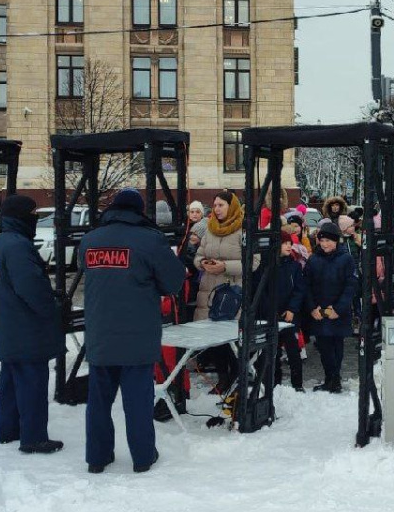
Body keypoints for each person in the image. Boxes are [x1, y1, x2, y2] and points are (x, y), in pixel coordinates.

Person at [78, 189, 185, 474]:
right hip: (138, 336)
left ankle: (97, 458)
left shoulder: (90, 240)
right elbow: (174, 281)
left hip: (100, 334)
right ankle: (142, 457)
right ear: (139, 211)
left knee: (98, 402)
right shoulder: (149, 240)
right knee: (137, 402)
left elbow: (83, 269)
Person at [0, 194, 66, 453]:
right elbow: (31, 288)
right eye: (33, 216)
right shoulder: (19, 246)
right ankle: (33, 437)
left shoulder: (3, 242)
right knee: (32, 382)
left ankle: (8, 430)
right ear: (22, 218)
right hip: (27, 328)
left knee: (11, 380)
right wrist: (53, 308)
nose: (35, 221)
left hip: (11, 324)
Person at [193, 191, 246, 395]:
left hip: (232, 292)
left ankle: (237, 378)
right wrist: (203, 263)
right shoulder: (210, 229)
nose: (217, 209)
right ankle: (223, 377)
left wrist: (224, 266)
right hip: (209, 291)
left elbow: (253, 262)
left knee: (231, 339)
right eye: (214, 205)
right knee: (213, 341)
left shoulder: (242, 230)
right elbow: (197, 256)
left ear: (231, 207)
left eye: (221, 205)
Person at [305, 221, 358, 393]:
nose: (325, 244)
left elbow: (351, 286)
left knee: (337, 346)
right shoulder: (313, 259)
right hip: (319, 311)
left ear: (336, 241)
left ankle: (335, 380)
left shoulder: (346, 259)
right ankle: (331, 379)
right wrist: (312, 308)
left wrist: (339, 309)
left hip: (337, 312)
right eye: (322, 240)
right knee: (324, 346)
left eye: (329, 240)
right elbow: (306, 286)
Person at [257, 231, 306, 392]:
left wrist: (292, 309)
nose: (289, 246)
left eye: (290, 243)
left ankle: (297, 384)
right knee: (272, 351)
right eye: (285, 243)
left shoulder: (294, 265)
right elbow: (261, 291)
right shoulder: (265, 265)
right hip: (270, 315)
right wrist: (269, 311)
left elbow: (299, 290)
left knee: (293, 351)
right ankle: (274, 383)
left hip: (290, 315)